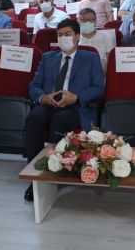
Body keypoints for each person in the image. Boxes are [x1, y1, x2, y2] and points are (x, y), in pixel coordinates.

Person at [23, 19, 105, 201]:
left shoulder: (90, 58)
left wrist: (76, 97)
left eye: (68, 34)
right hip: (49, 103)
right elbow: (34, 85)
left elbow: (99, 88)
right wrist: (43, 97)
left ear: (77, 36)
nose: (63, 38)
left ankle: (54, 173)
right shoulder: (47, 57)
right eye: (60, 35)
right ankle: (34, 176)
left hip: (75, 107)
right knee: (33, 119)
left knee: (59, 121)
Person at [77, 8, 116, 73]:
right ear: (78, 21)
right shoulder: (74, 38)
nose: (87, 22)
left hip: (101, 74)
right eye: (83, 20)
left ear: (95, 21)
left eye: (90, 20)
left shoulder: (106, 37)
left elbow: (111, 62)